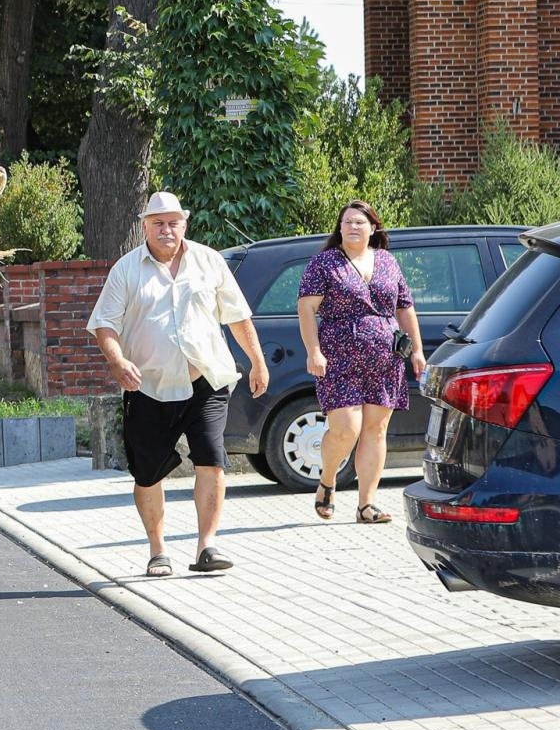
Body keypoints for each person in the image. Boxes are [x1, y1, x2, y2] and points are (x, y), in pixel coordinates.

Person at [86, 191, 270, 578]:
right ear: (145, 227)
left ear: (184, 224)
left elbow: (237, 317)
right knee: (148, 472)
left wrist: (257, 361)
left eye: (173, 222)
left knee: (212, 458)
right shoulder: (127, 269)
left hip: (206, 379)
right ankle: (158, 551)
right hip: (148, 385)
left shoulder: (209, 261)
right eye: (158, 223)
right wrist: (117, 361)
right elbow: (104, 323)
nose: (166, 230)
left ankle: (207, 545)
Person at [296, 200, 427, 524]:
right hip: (339, 356)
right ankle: (328, 480)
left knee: (376, 430)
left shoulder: (387, 261)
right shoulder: (324, 263)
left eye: (360, 222)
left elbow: (404, 308)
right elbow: (306, 309)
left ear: (373, 228)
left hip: (385, 356)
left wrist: (417, 350)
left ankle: (366, 505)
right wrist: (314, 350)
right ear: (339, 229)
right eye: (347, 222)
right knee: (345, 429)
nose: (353, 227)